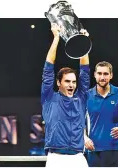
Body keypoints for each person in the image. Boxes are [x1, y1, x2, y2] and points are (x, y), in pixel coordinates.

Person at [41, 23, 90, 167]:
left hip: (78, 157)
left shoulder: (81, 98)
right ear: (58, 83)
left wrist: (83, 44)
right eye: (67, 81)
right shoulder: (49, 98)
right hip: (56, 158)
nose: (71, 85)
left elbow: (85, 72)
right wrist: (56, 37)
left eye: (74, 82)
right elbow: (48, 69)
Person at [85, 61, 118, 167]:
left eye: (106, 74)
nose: (102, 77)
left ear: (111, 75)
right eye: (99, 73)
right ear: (94, 75)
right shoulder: (86, 96)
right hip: (94, 150)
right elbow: (78, 122)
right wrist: (84, 138)